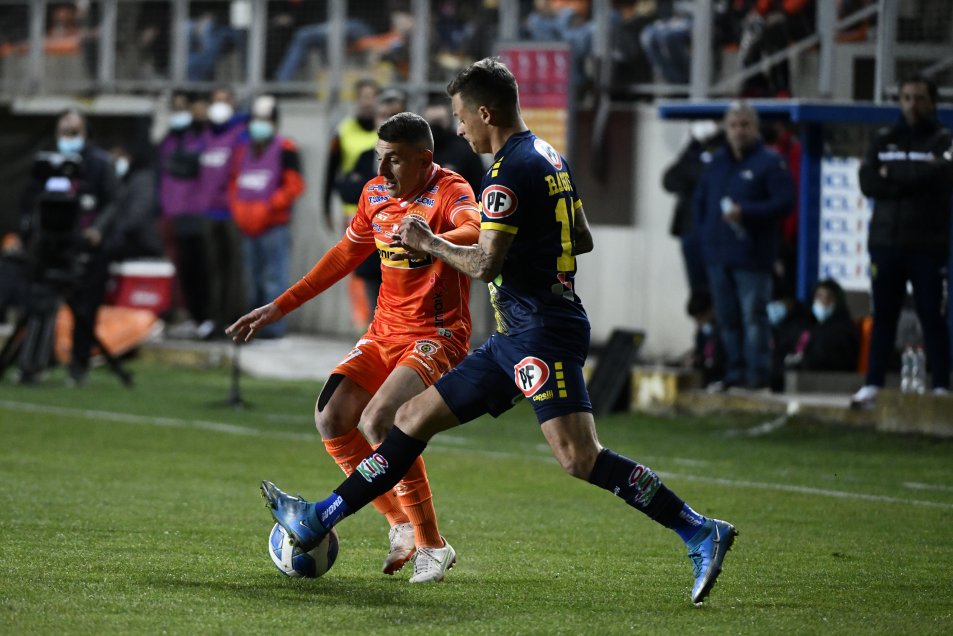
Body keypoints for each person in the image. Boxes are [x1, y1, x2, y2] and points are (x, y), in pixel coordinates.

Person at [256, 57, 738, 605]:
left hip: (542, 332)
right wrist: (528, 250)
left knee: (579, 458)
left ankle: (699, 529)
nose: (459, 129)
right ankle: (320, 517)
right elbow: (579, 236)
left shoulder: (505, 172)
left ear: (485, 113)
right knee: (408, 420)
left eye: (462, 117)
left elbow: (484, 264)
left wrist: (430, 243)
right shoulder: (549, 156)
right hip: (517, 332)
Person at [228, 111, 481, 582]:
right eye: (377, 159)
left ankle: (432, 544)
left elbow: (477, 233)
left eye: (394, 161)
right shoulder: (376, 194)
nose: (383, 172)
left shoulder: (450, 190)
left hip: (436, 334)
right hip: (384, 330)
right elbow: (344, 256)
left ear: (425, 159)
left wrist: (433, 239)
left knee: (380, 421)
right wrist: (280, 306)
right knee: (331, 418)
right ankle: (400, 524)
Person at [850, 76, 953, 408]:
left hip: (927, 244)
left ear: (932, 102)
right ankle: (873, 385)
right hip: (885, 243)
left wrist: (891, 176)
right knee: (884, 316)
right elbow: (868, 182)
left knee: (931, 314)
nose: (912, 104)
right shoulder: (883, 139)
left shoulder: (944, 140)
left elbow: (940, 176)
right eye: (907, 98)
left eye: (919, 98)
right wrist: (911, 179)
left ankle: (940, 385)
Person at [693, 101, 794, 390]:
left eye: (745, 125)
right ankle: (734, 371)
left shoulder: (770, 163)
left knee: (753, 317)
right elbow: (700, 203)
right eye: (734, 125)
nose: (739, 131)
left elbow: (785, 203)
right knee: (727, 318)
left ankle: (757, 373)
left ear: (756, 127)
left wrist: (747, 211)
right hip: (718, 255)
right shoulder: (716, 163)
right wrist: (705, 237)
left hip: (753, 255)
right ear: (726, 128)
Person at [14, 108, 119, 385]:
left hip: (86, 243)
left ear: (86, 134)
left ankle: (78, 367)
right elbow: (31, 200)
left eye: (74, 132)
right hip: (50, 245)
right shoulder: (47, 162)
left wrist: (98, 228)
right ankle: (32, 364)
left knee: (84, 309)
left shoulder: (99, 163)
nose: (68, 137)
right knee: (39, 304)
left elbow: (113, 201)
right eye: (64, 132)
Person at [228, 95, 305, 339]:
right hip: (247, 226)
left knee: (274, 279)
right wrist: (238, 208)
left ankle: (273, 328)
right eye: (256, 118)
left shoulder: (286, 148)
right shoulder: (243, 150)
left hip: (273, 225)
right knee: (252, 279)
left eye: (265, 119)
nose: (259, 123)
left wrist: (269, 206)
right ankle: (254, 326)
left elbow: (294, 185)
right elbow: (234, 182)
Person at [157, 90, 215, 339]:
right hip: (173, 214)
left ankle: (208, 317)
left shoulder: (201, 136)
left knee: (202, 269)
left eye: (184, 107)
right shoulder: (168, 141)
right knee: (183, 271)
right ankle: (192, 316)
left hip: (197, 213)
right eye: (175, 107)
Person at [199, 86, 247, 335]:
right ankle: (214, 319)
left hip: (231, 211)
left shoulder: (239, 135)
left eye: (224, 101)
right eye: (215, 100)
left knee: (234, 270)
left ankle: (233, 319)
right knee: (213, 270)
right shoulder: (205, 136)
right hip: (208, 211)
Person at [661, 120, 724, 295]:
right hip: (690, 229)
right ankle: (703, 320)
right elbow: (669, 180)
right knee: (697, 288)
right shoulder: (693, 150)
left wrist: (694, 175)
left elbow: (711, 178)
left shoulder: (724, 149)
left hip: (716, 231)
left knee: (718, 286)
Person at [783, 278, 859, 374]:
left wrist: (802, 361)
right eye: (819, 296)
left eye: (829, 297)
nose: (823, 301)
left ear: (838, 302)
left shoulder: (843, 329)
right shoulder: (808, 325)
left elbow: (835, 361)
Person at [423, 98, 486, 196]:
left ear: (449, 121)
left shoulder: (464, 149)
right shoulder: (415, 150)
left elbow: (480, 188)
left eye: (439, 122)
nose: (435, 127)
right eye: (431, 122)